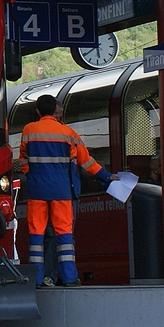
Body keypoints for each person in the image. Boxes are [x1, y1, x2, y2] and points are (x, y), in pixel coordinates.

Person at [19, 95, 119, 287]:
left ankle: (37, 278)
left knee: (36, 234)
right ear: (55, 110)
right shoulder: (68, 133)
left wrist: (30, 174)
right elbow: (86, 161)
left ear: (38, 111)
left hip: (37, 191)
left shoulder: (28, 130)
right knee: (64, 234)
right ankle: (69, 277)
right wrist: (106, 176)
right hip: (62, 191)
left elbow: (23, 158)